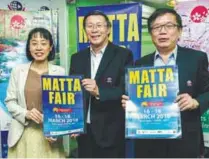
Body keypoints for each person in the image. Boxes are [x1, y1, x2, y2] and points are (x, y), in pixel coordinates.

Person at [122, 8, 209, 158]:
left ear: (179, 31)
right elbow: (135, 97)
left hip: (185, 139)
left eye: (169, 26)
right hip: (148, 141)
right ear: (151, 33)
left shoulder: (196, 58)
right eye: (157, 27)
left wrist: (195, 102)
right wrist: (130, 104)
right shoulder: (140, 64)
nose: (163, 32)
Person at [69, 10, 133, 158]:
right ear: (85, 30)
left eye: (99, 25)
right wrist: (73, 123)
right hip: (84, 132)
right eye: (90, 26)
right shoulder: (77, 58)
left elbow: (126, 90)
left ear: (108, 29)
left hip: (111, 131)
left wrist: (99, 91)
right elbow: (73, 94)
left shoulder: (123, 55)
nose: (94, 30)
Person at [5, 27, 66, 158]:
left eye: (43, 43)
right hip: (22, 135)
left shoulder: (60, 72)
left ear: (50, 47)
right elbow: (10, 102)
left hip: (49, 136)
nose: (39, 48)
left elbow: (64, 106)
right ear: (29, 48)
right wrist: (26, 113)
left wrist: (55, 130)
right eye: (34, 43)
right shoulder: (18, 71)